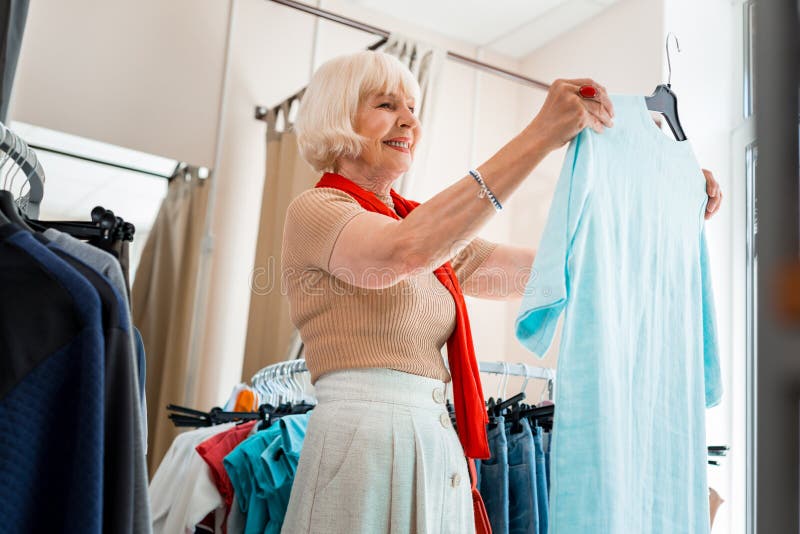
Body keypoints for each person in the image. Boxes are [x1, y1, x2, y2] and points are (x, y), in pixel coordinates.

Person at [279, 50, 723, 533]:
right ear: (338, 118)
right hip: (362, 443)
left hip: (432, 439)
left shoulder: (420, 226)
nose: (409, 122)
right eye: (387, 106)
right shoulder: (317, 210)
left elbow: (560, 271)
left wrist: (666, 209)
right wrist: (539, 136)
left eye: (413, 108)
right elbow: (404, 253)